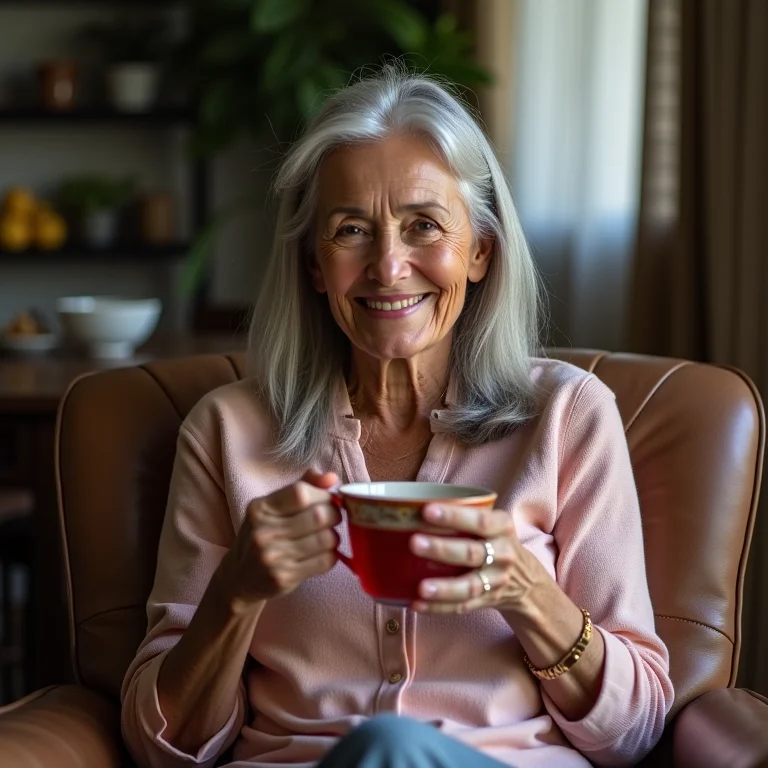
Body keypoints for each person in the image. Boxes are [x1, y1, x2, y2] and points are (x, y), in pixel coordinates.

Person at [121, 67, 674, 768]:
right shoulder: (227, 433)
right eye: (351, 230)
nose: (387, 266)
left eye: (424, 226)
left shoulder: (568, 416)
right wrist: (234, 593)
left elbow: (635, 731)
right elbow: (161, 747)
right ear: (314, 265)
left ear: (480, 251)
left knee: (391, 748)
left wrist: (529, 594)